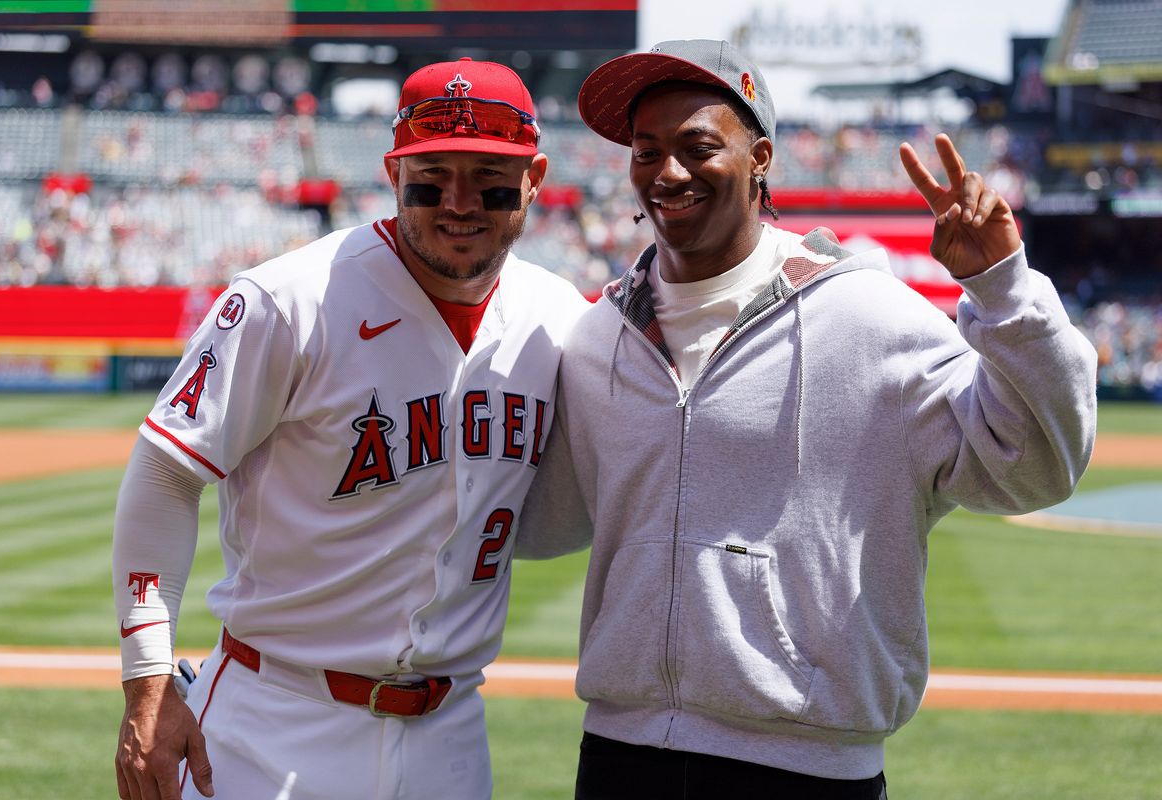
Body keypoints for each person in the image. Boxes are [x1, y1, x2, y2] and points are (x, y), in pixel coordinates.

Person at [517, 40, 1097, 799]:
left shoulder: (865, 315)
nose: (667, 172)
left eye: (697, 146)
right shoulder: (599, 336)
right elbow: (540, 516)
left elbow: (1035, 465)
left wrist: (1005, 289)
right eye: (646, 149)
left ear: (760, 156)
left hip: (807, 771)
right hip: (620, 756)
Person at [112, 57, 587, 800]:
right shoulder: (288, 300)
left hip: (451, 731)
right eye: (433, 173)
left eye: (488, 175)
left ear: (534, 177)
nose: (459, 201)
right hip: (275, 718)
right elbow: (166, 471)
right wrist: (146, 677)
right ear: (393, 173)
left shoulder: (563, 321)